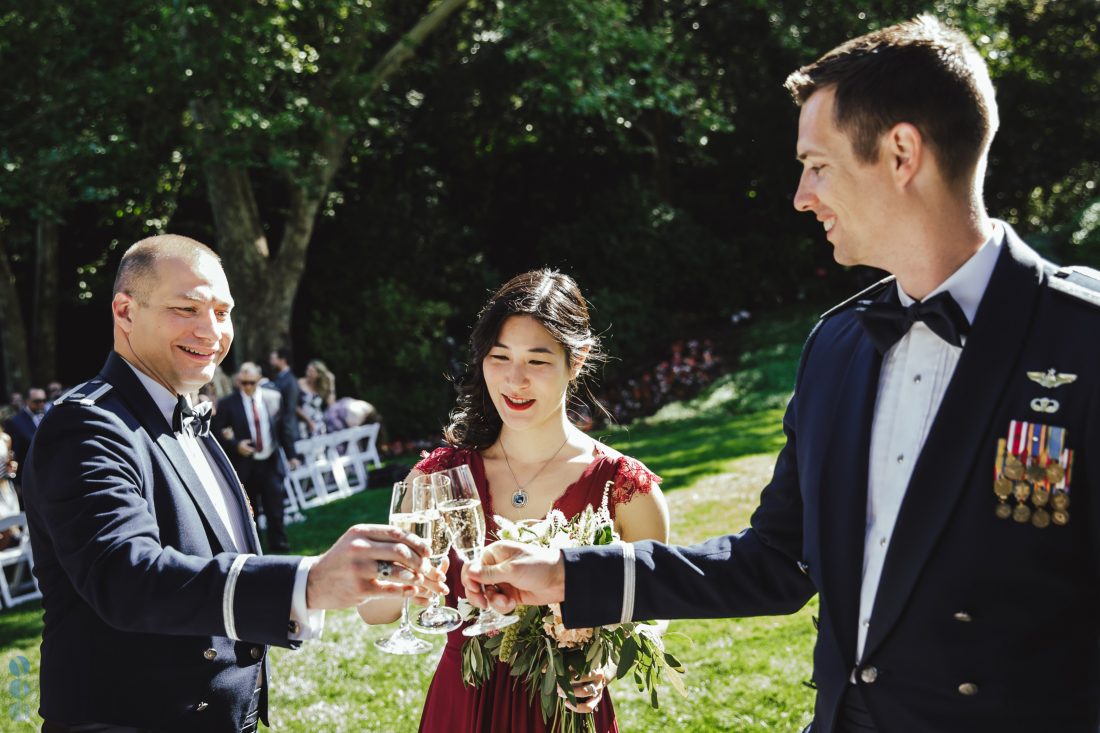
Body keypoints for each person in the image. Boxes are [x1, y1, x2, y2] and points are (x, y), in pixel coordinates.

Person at [462, 16, 1100, 733]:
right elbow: (775, 559)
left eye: (817, 164)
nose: (801, 195)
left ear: (900, 154)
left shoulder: (1084, 338)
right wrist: (571, 575)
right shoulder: (836, 348)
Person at [22, 234, 444, 733]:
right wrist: (306, 583)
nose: (212, 331)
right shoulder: (88, 424)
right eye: (187, 308)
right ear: (124, 311)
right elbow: (126, 577)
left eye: (223, 312)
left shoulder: (186, 415)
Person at [359, 269, 670, 733]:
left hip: (566, 707)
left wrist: (601, 666)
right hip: (463, 705)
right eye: (498, 357)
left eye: (537, 361)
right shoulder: (438, 479)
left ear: (577, 359)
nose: (514, 380)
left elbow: (654, 603)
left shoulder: (625, 487)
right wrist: (405, 585)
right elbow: (372, 610)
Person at [213, 362, 294, 552]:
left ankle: (280, 545)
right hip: (244, 465)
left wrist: (291, 455)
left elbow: (283, 428)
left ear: (259, 380)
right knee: (250, 512)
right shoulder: (227, 403)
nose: (246, 386)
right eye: (242, 382)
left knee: (275, 508)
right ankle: (253, 549)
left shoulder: (273, 398)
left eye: (250, 382)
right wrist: (236, 445)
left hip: (270, 461)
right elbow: (216, 433)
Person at [3, 386, 46, 487]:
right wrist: (17, 483)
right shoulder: (14, 422)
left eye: (44, 400)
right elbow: (13, 454)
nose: (41, 404)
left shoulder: (47, 415)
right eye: (37, 401)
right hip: (29, 479)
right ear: (27, 401)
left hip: (48, 475)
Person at [268, 346, 300, 458]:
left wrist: (287, 440)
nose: (271, 362)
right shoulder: (280, 379)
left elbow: (289, 410)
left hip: (288, 433)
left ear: (282, 360)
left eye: (274, 359)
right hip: (281, 432)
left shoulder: (290, 381)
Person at [297, 359, 335, 438]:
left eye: (311, 371)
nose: (308, 373)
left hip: (318, 423)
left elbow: (331, 405)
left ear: (318, 375)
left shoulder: (320, 387)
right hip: (303, 423)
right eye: (308, 370)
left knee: (320, 448)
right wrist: (308, 421)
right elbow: (294, 406)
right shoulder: (299, 383)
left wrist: (331, 383)